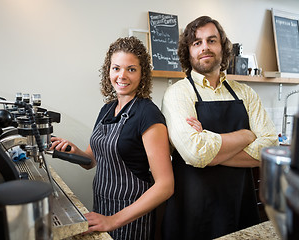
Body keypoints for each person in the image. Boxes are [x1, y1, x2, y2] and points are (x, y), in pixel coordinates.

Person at [161, 16, 279, 240]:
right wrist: (247, 135)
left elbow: (270, 148)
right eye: (197, 42)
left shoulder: (245, 93)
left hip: (239, 207)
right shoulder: (178, 93)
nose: (205, 47)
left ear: (223, 48)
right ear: (188, 52)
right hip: (191, 212)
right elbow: (195, 152)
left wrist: (210, 148)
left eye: (211, 40)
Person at [50, 36, 174, 240]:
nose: (122, 76)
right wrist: (74, 151)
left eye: (131, 69)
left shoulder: (148, 114)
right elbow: (92, 160)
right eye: (116, 68)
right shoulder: (107, 109)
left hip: (131, 219)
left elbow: (165, 185)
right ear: (108, 71)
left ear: (142, 74)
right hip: (102, 208)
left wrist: (114, 220)